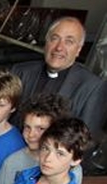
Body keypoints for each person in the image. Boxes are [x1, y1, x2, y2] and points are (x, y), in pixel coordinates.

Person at [11, 17, 106, 164]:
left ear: (78, 50)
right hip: (13, 158)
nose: (59, 48)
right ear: (47, 42)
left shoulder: (92, 87)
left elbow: (87, 141)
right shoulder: (21, 72)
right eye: (55, 38)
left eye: (69, 41)